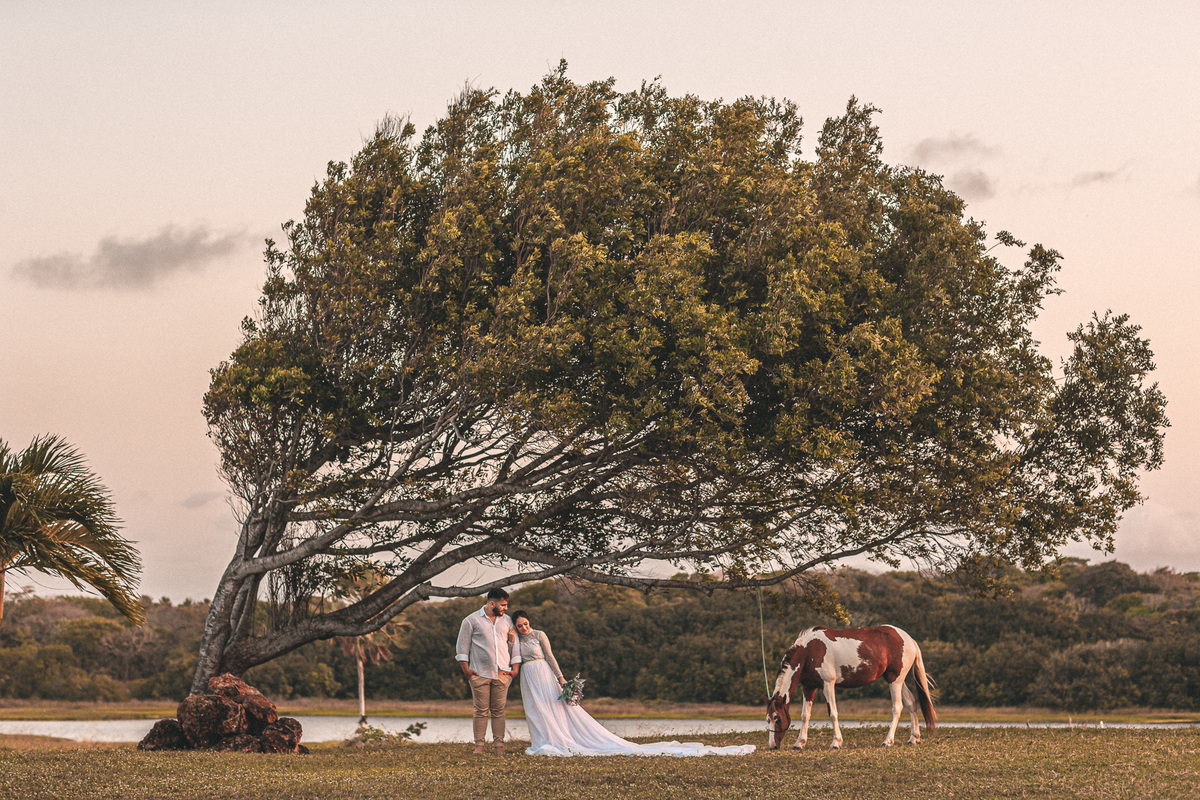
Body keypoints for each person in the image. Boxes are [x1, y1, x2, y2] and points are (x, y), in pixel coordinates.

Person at [510, 610, 755, 757]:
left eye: (525, 624)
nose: (523, 627)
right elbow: (512, 655)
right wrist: (511, 638)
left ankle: (557, 740)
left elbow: (551, 656)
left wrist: (561, 678)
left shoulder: (539, 635)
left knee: (553, 708)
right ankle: (541, 740)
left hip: (543, 672)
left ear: (530, 622)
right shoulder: (514, 638)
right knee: (536, 710)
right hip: (527, 678)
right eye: (520, 625)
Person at [456, 588, 520, 754]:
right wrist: (467, 671)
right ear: (492, 603)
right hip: (479, 673)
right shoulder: (471, 621)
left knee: (499, 711)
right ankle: (479, 746)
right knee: (481, 711)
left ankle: (499, 747)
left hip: (503, 673)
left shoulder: (507, 621)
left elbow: (515, 646)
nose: (506, 608)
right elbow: (462, 647)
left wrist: (515, 669)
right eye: (503, 605)